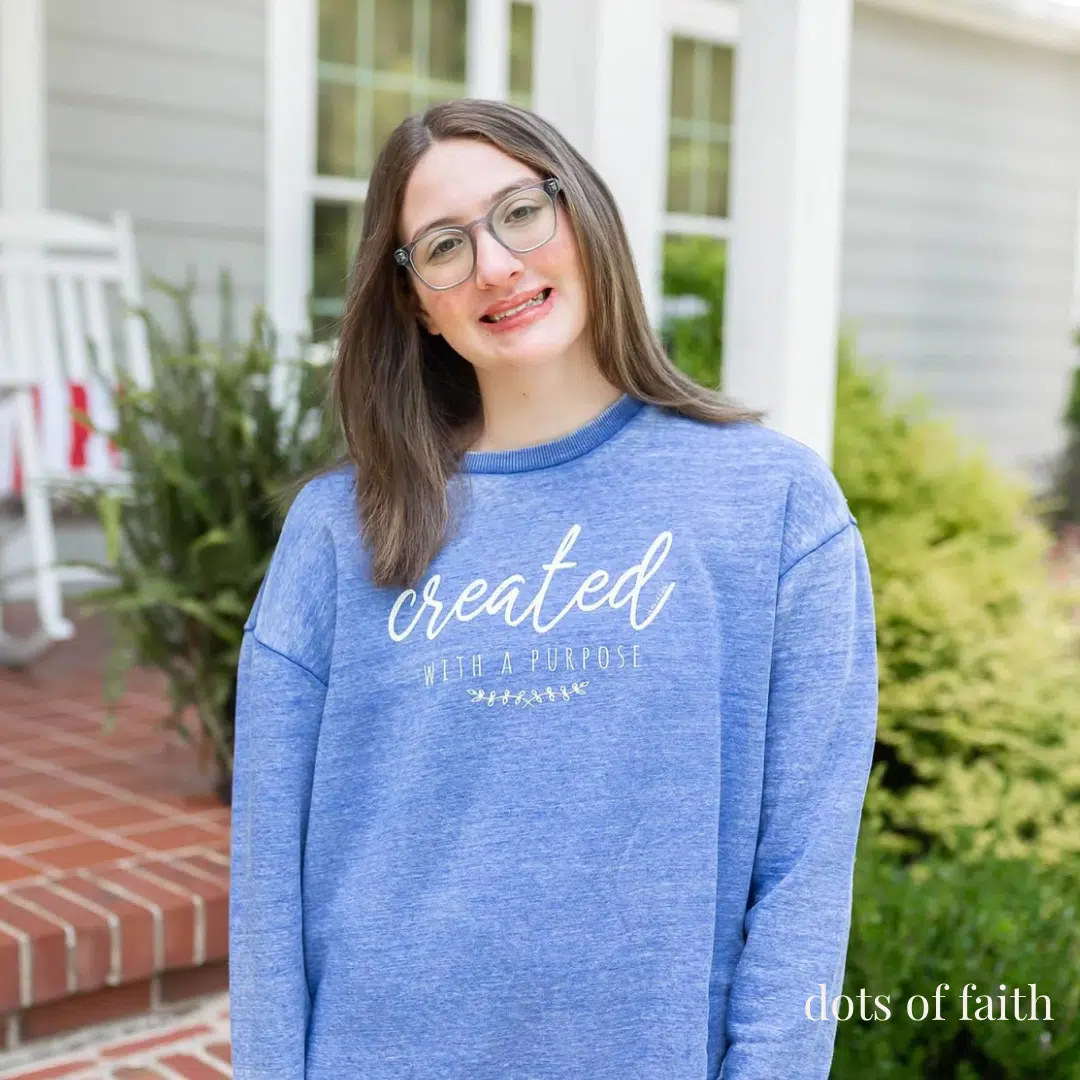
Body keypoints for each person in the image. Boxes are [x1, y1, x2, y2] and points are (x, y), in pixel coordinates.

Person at [228, 98, 878, 1080]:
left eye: (521, 212)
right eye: (443, 246)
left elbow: (803, 874)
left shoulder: (773, 505)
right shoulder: (337, 533)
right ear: (416, 302)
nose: (494, 265)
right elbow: (268, 895)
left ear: (584, 216)